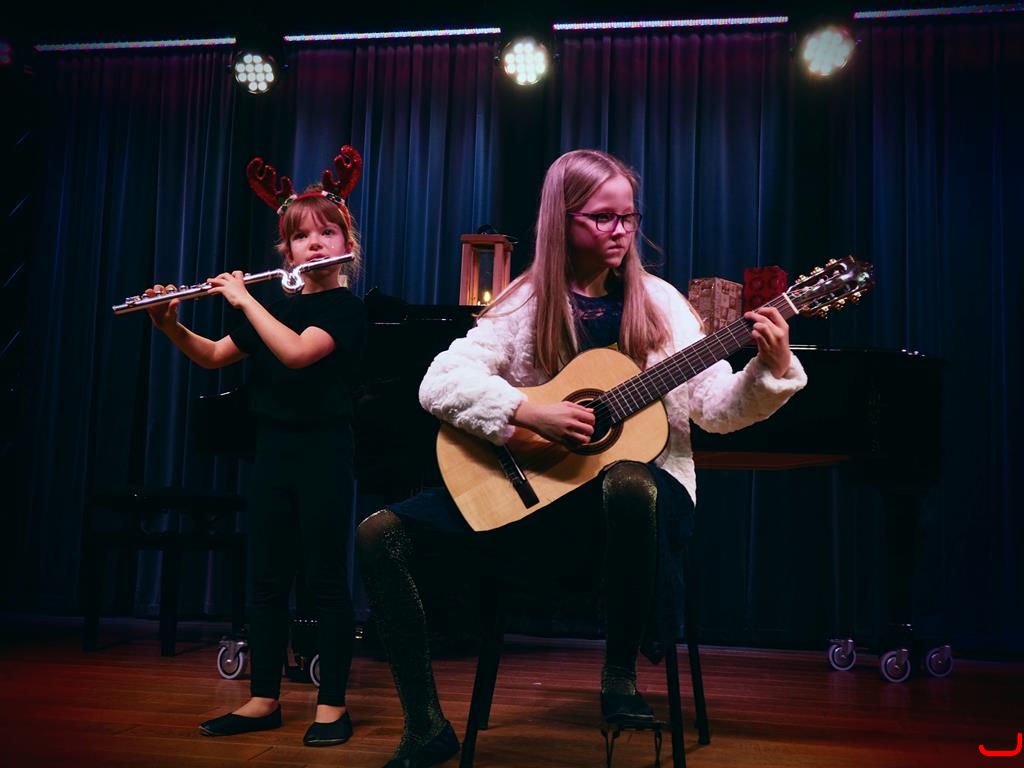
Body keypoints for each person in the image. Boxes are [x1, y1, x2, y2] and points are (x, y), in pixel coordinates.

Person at [355, 148, 807, 768]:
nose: (620, 230)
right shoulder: (522, 304)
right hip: (543, 502)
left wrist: (771, 367)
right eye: (602, 217)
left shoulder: (664, 305)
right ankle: (425, 726)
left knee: (628, 481)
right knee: (380, 535)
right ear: (561, 220)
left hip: (647, 505)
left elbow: (715, 410)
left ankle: (619, 676)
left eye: (628, 217)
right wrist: (528, 413)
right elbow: (439, 383)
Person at [145, 146, 368, 748]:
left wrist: (243, 298)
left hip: (324, 451)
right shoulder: (274, 304)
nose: (315, 244)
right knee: (266, 580)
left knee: (324, 581)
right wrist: (169, 323)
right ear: (286, 251)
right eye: (301, 237)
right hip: (273, 451)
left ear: (346, 241)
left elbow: (296, 353)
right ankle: (263, 699)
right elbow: (215, 355)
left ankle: (332, 706)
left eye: (327, 232)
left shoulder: (346, 309)